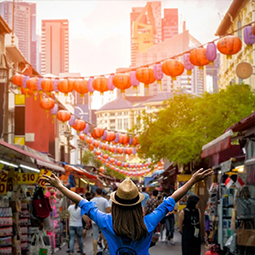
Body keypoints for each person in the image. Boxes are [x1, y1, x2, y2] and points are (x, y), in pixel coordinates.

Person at [43, 168, 212, 255]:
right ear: (138, 205)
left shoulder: (107, 222)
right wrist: (191, 181)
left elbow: (82, 203)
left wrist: (59, 186)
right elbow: (171, 201)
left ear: (115, 204)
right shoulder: (148, 222)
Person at [90, 188, 111, 255]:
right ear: (102, 193)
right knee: (105, 237)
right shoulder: (104, 200)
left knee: (95, 238)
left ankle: (95, 252)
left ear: (96, 193)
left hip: (94, 220)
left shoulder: (92, 200)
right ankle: (107, 250)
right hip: (103, 220)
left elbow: (89, 211)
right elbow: (108, 209)